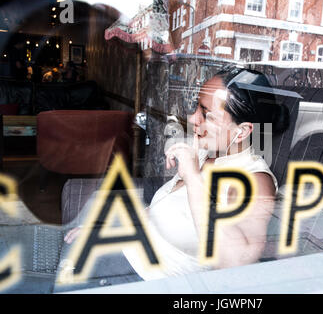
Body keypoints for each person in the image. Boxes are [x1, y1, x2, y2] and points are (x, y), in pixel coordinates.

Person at [61, 66, 290, 281]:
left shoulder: (255, 180)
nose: (192, 119)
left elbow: (234, 263)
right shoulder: (206, 154)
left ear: (241, 132)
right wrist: (107, 231)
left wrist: (192, 178)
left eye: (207, 114)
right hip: (124, 251)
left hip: (145, 278)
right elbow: (157, 213)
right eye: (197, 107)